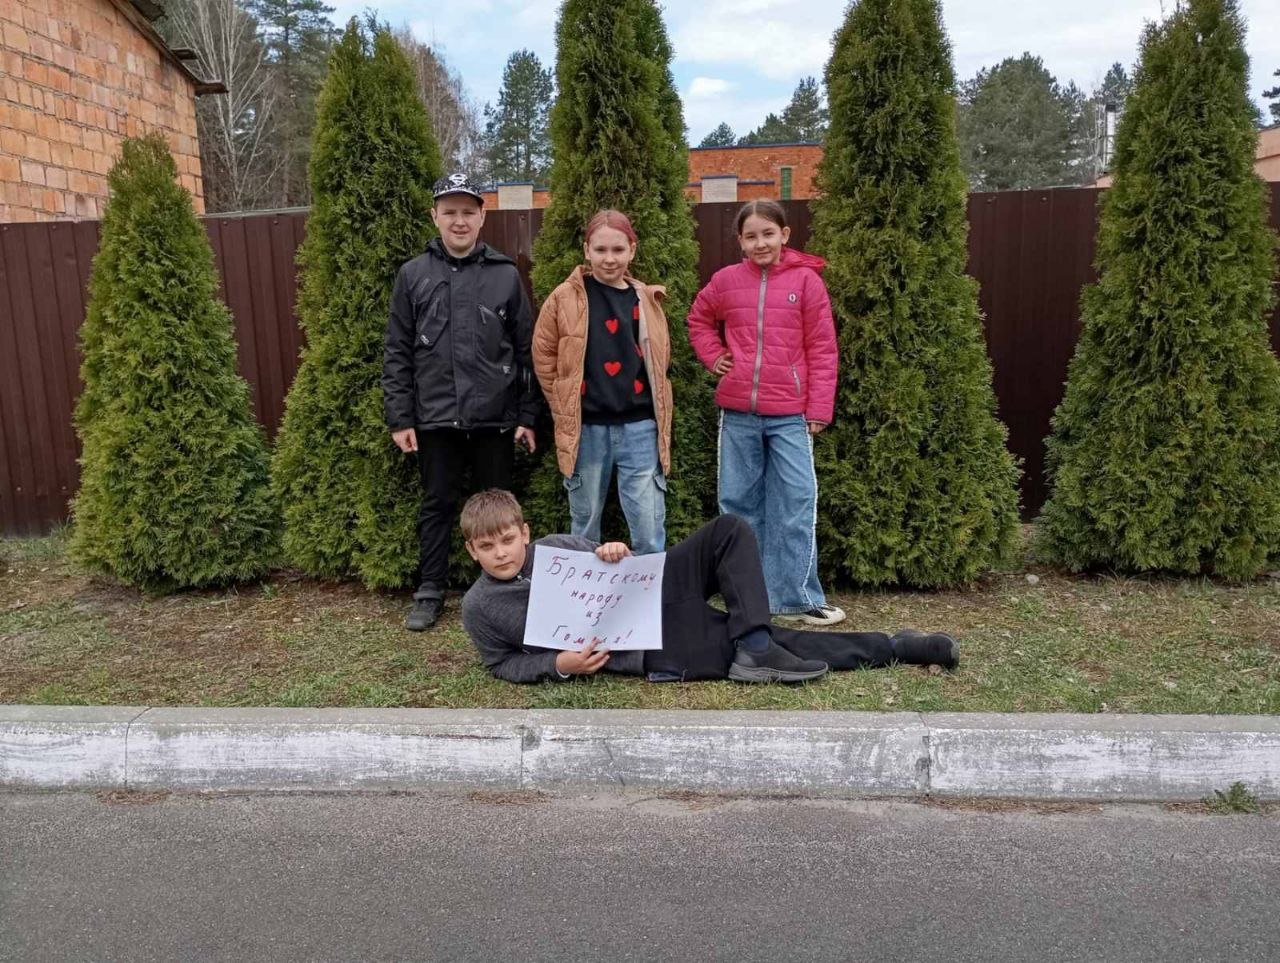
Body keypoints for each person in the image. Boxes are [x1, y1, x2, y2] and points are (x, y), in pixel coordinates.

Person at [459, 489, 958, 685]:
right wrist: (558, 666)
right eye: (487, 546)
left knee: (729, 530)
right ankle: (896, 648)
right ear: (472, 551)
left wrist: (610, 550)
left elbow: (610, 563)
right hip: (646, 646)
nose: (501, 553)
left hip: (651, 588)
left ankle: (755, 646)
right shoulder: (479, 607)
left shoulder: (555, 547)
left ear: (524, 532)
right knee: (788, 641)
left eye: (508, 539)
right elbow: (501, 663)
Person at [383, 172, 540, 631]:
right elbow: (397, 351)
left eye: (468, 212)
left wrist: (528, 415)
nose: (459, 221)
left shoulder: (505, 274)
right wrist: (400, 417)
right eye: (449, 212)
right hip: (435, 419)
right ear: (434, 216)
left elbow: (527, 351)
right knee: (437, 504)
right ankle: (430, 590)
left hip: (495, 419)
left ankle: (506, 591)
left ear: (482, 216)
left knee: (499, 508)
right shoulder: (413, 275)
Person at [687, 199, 843, 626]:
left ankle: (799, 597)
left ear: (784, 235)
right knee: (738, 506)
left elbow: (823, 348)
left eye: (768, 234)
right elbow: (698, 319)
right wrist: (713, 355)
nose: (760, 243)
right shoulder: (725, 281)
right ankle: (745, 597)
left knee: (796, 501)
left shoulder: (807, 282)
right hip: (738, 413)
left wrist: (819, 407)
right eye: (751, 236)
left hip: (790, 414)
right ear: (740, 240)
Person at [533, 209, 672, 555]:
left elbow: (659, 361)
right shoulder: (564, 298)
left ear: (632, 251)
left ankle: (649, 588)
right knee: (585, 524)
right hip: (586, 429)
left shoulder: (646, 300)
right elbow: (544, 354)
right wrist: (563, 403)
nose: (609, 259)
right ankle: (586, 589)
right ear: (586, 250)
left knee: (649, 526)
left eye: (618, 250)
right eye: (600, 250)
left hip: (640, 428)